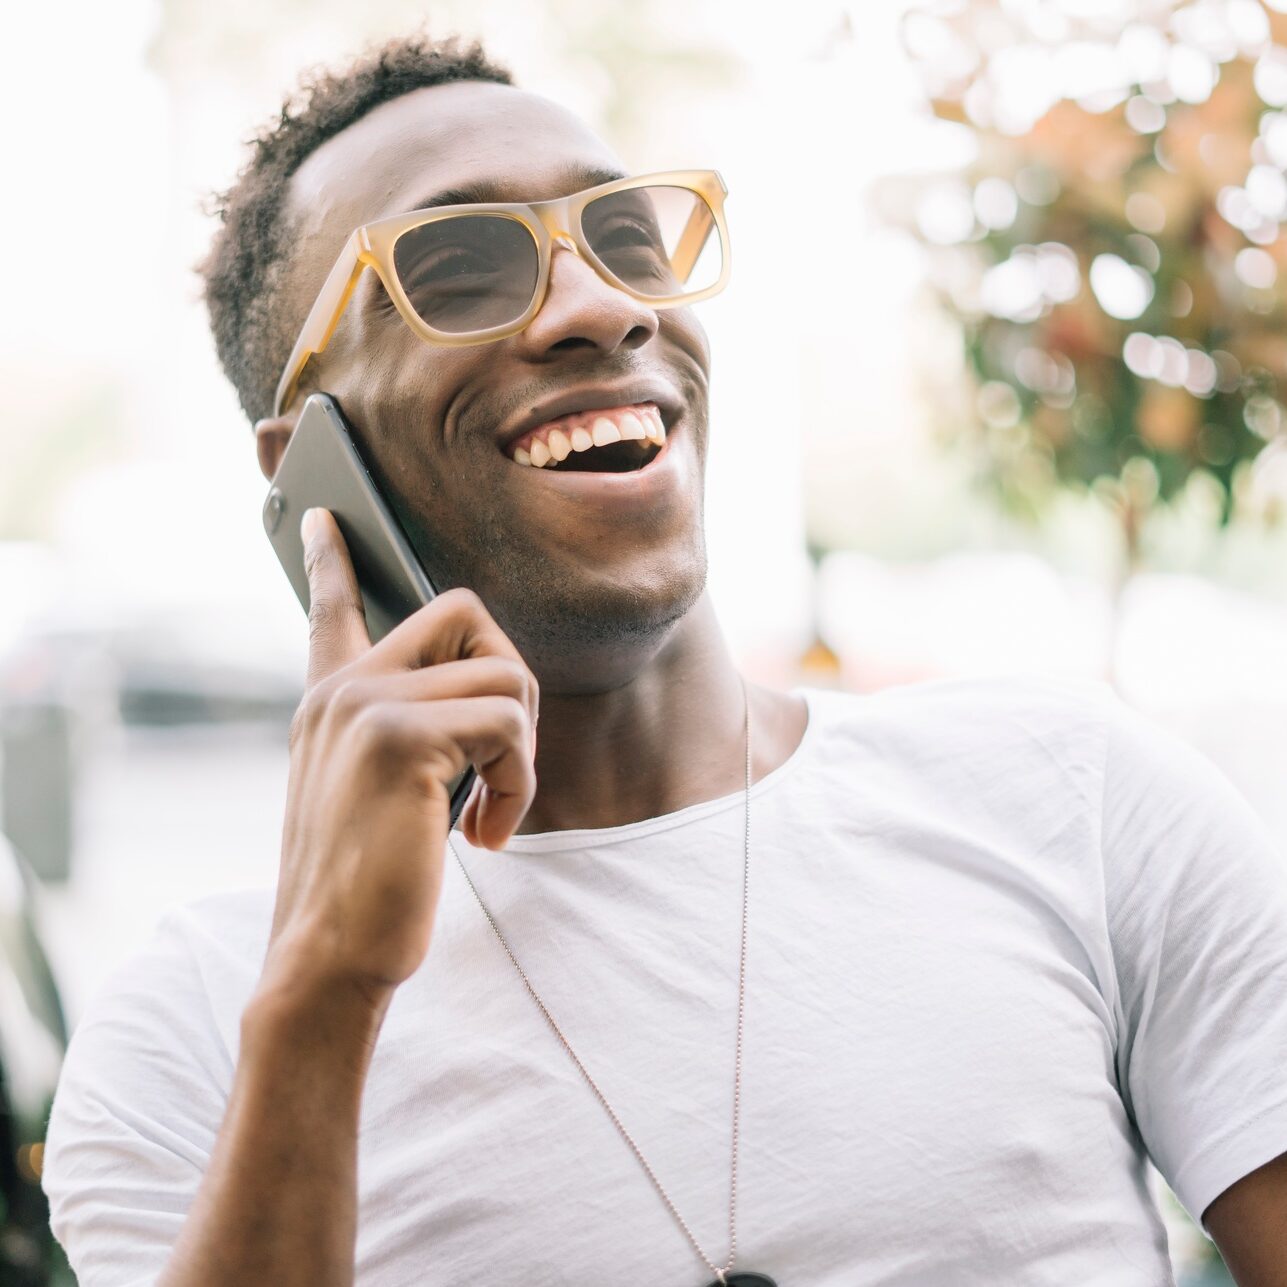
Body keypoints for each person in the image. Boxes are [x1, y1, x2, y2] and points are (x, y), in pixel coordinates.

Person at [42, 30, 1287, 1287]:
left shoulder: (1074, 796)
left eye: (627, 234)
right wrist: (326, 994)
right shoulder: (196, 1031)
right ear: (306, 463)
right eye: (459, 267)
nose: (604, 305)